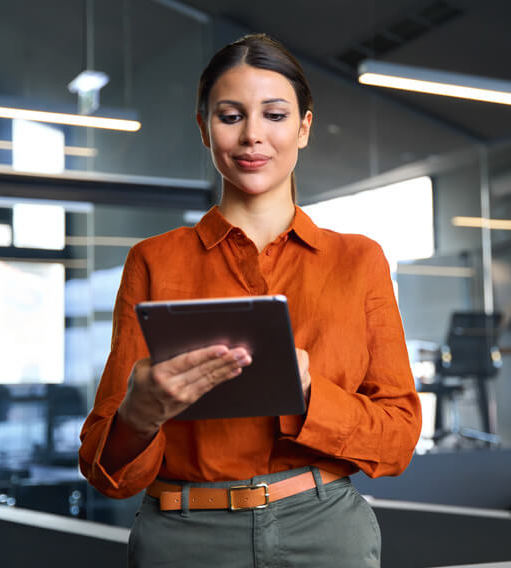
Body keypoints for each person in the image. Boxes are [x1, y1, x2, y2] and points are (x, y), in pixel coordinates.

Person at [79, 33, 422, 567]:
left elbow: (399, 439)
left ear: (304, 127)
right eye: (231, 115)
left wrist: (310, 394)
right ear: (203, 127)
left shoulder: (359, 260)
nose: (253, 136)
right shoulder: (153, 261)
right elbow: (106, 471)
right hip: (183, 536)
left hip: (324, 531)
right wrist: (137, 416)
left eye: (276, 115)